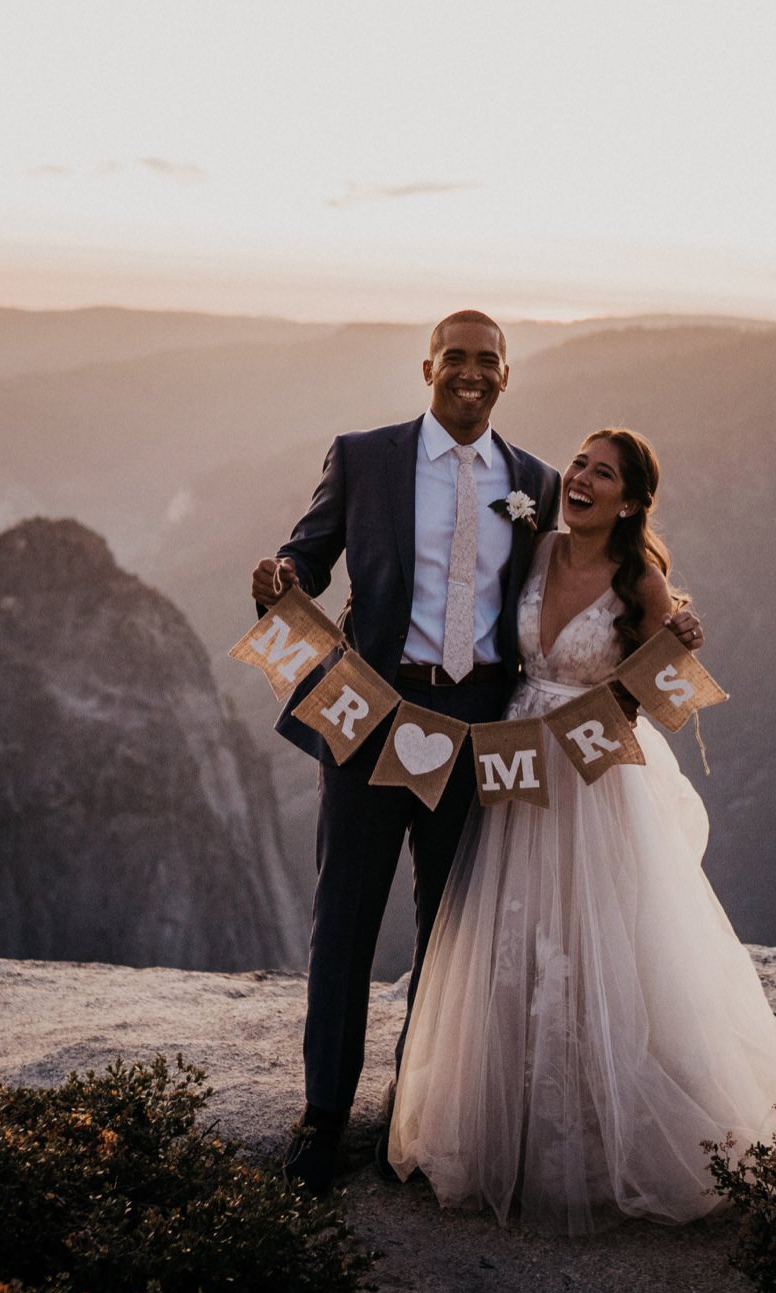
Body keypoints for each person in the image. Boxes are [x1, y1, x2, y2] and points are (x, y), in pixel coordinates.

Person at [386, 428, 776, 1233]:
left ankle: (597, 1128)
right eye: (579, 464)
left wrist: (679, 641)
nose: (580, 478)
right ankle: (499, 1120)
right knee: (510, 932)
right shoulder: (533, 549)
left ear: (631, 501)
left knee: (598, 937)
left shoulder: (642, 581)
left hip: (595, 772)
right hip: (514, 763)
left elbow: (660, 694)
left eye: (603, 473)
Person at [251, 310, 580, 1195]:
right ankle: (324, 1121)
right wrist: (284, 572)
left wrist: (671, 616)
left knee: (449, 934)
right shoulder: (365, 457)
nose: (470, 374)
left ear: (506, 376)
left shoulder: (536, 482)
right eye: (455, 359)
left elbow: (585, 582)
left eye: (488, 362)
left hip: (477, 728)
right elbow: (310, 554)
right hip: (371, 714)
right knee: (345, 924)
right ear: (426, 366)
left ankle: (414, 1116)